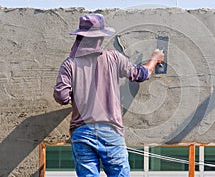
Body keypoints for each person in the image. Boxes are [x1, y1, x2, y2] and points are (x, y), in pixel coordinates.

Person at [53, 13, 164, 177]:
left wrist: (78, 92)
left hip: (82, 132)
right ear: (100, 37)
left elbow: (61, 97)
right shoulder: (113, 58)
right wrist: (154, 59)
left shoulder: (70, 64)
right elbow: (140, 74)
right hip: (110, 131)